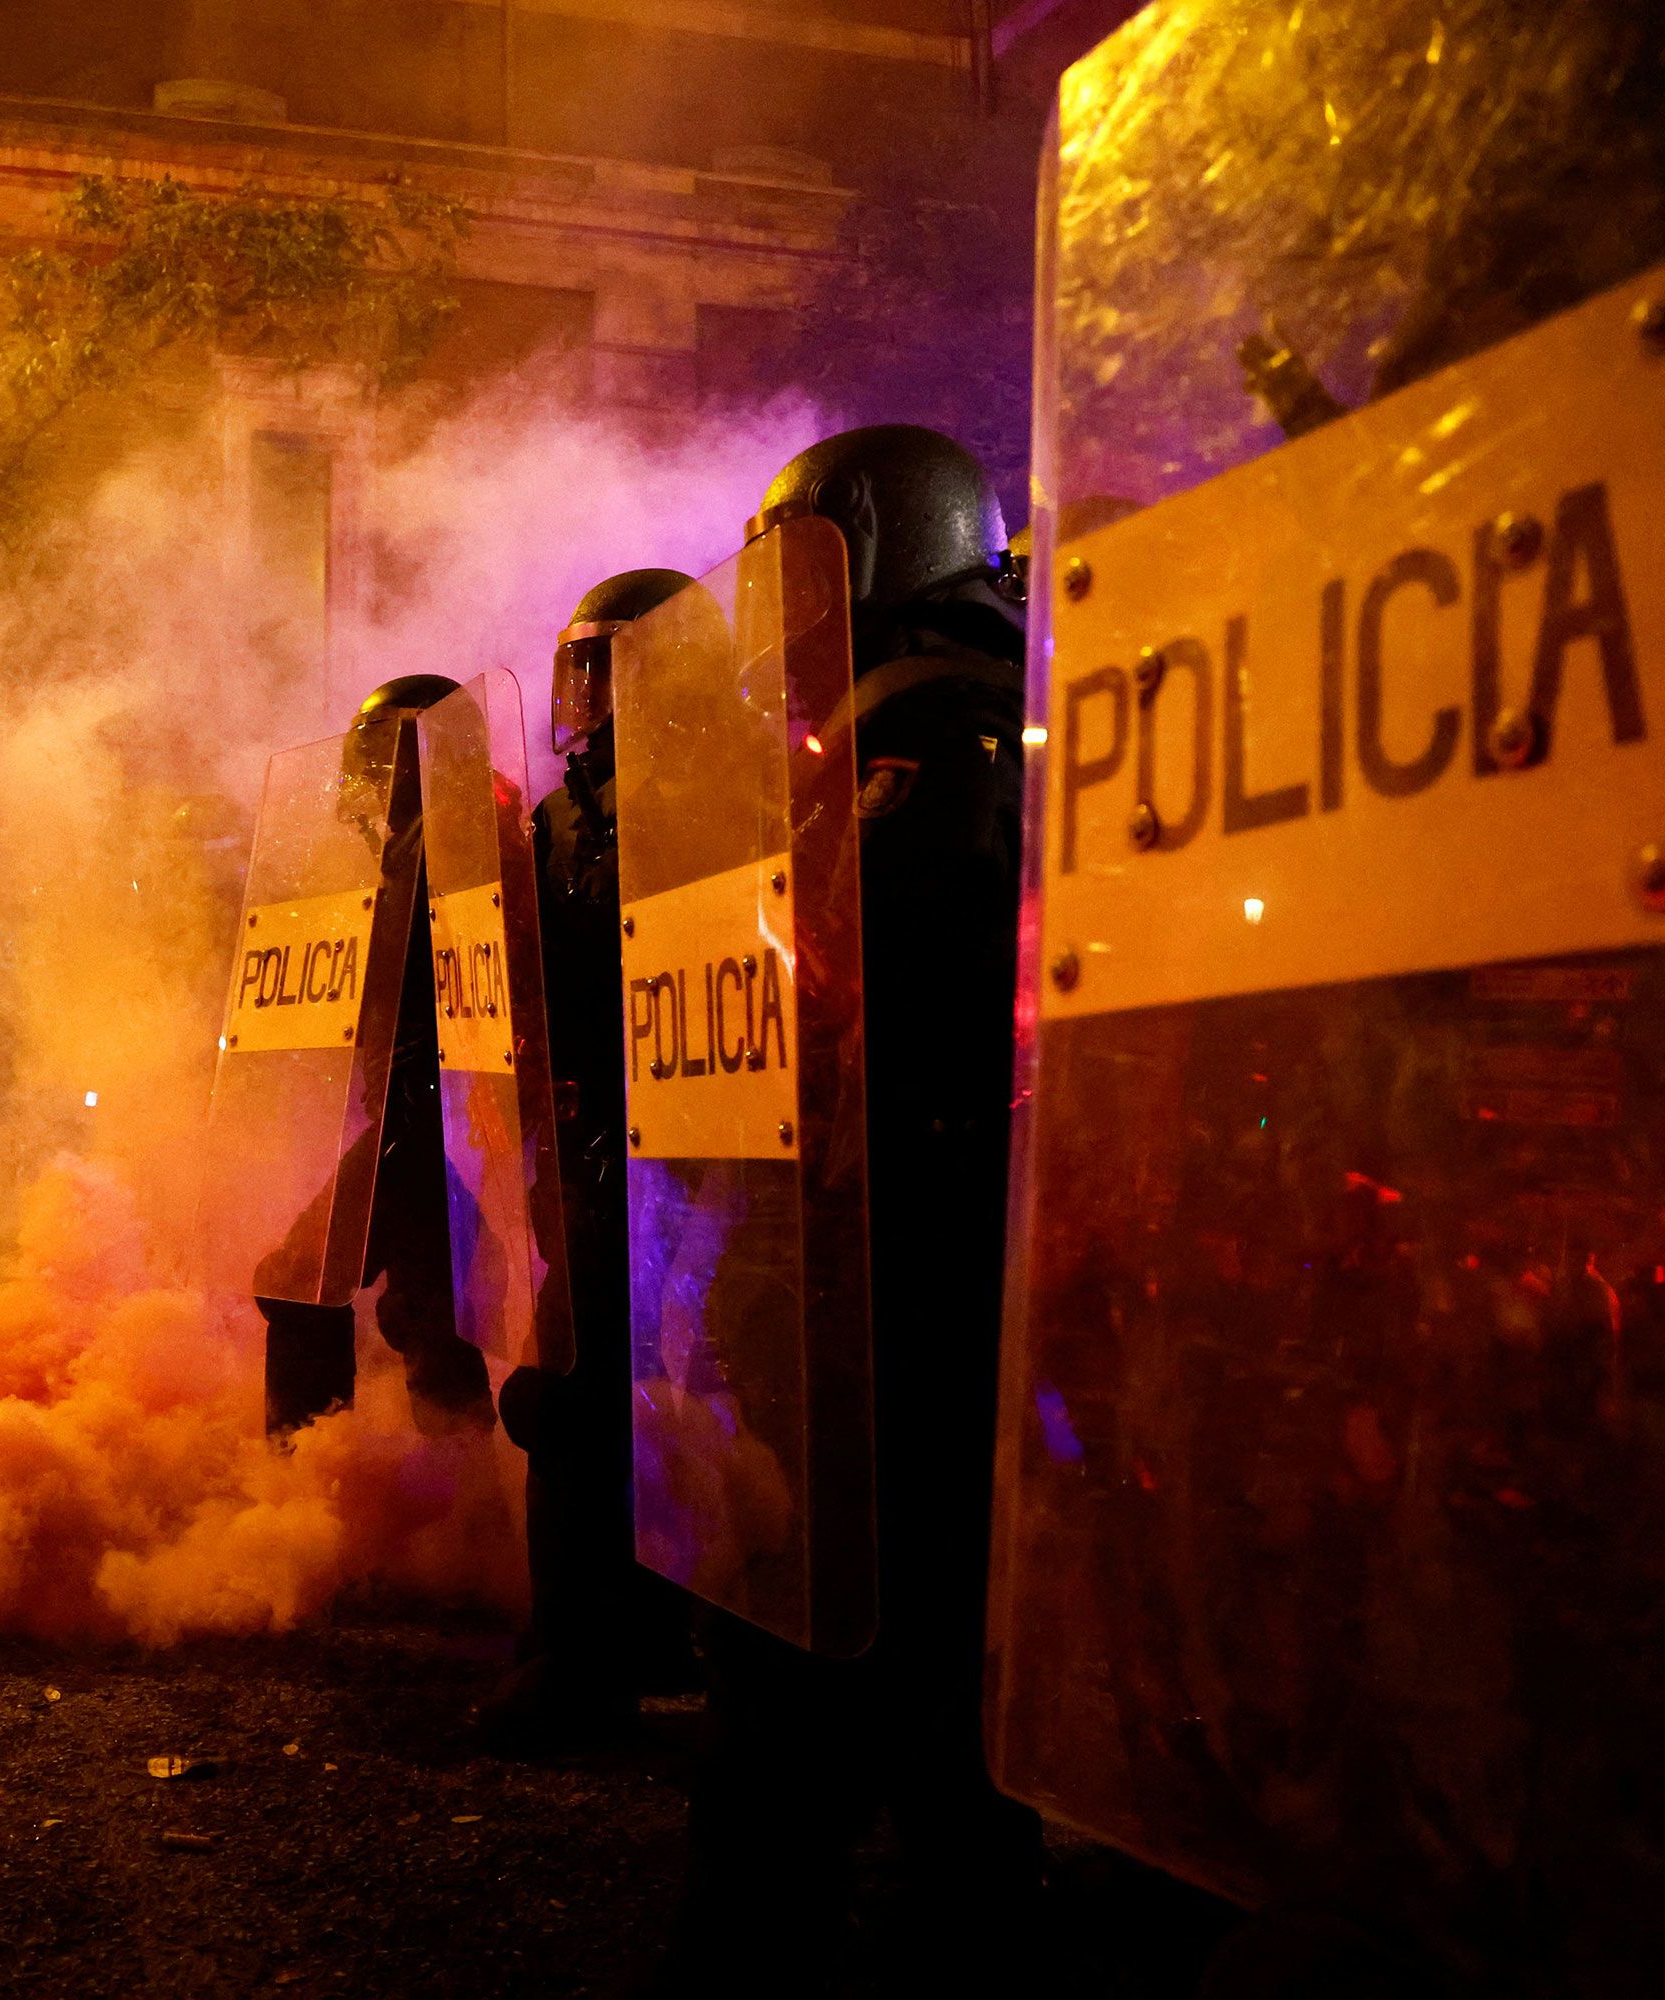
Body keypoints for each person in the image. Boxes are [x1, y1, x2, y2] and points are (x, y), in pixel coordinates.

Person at [667, 425, 1041, 1989]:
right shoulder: (901, 723)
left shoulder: (937, 733)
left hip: (905, 1279)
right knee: (924, 1664)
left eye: (796, 562)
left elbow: (872, 1013)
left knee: (832, 1660)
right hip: (895, 1273)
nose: (768, 603)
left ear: (878, 547)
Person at [474, 568, 702, 1756]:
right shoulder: (559, 822)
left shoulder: (725, 792)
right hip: (591, 1157)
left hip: (705, 1166)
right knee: (566, 1391)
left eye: (607, 667)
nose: (586, 698)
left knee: (668, 1403)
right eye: (577, 669)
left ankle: (625, 1641)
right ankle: (577, 1648)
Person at [257, 675, 494, 1439]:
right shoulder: (409, 856)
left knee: (300, 1281)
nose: (362, 786)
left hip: (426, 1120)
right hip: (424, 1122)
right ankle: (456, 1517)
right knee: (429, 1318)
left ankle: (310, 1494)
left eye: (381, 760)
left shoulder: (459, 843)